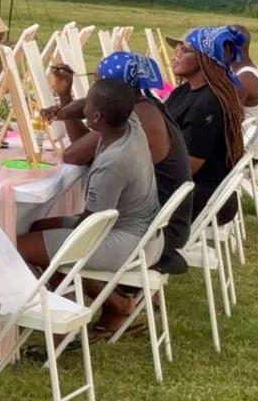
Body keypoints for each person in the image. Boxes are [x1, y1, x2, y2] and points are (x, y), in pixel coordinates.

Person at [18, 79, 162, 330]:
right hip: (146, 233)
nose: (82, 109)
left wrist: (56, 239)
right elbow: (89, 103)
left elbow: (90, 226)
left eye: (88, 107)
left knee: (20, 247)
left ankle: (63, 324)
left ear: (96, 117)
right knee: (37, 228)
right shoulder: (130, 122)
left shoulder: (112, 164)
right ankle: (115, 304)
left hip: (127, 242)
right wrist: (63, 112)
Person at [50, 52, 193, 272]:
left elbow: (73, 154)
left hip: (153, 230)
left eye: (98, 82)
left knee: (42, 238)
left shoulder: (134, 119)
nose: (93, 89)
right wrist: (65, 98)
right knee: (45, 228)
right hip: (154, 219)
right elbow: (84, 146)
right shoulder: (145, 106)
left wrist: (69, 108)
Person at [164, 26, 245, 222]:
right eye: (177, 50)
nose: (176, 56)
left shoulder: (208, 103)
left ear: (205, 59)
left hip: (200, 194)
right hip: (185, 186)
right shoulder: (184, 91)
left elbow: (188, 167)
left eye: (184, 51)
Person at [231, 24, 258, 159]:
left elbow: (226, 121)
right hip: (247, 149)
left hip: (241, 155)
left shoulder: (243, 80)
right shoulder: (247, 68)